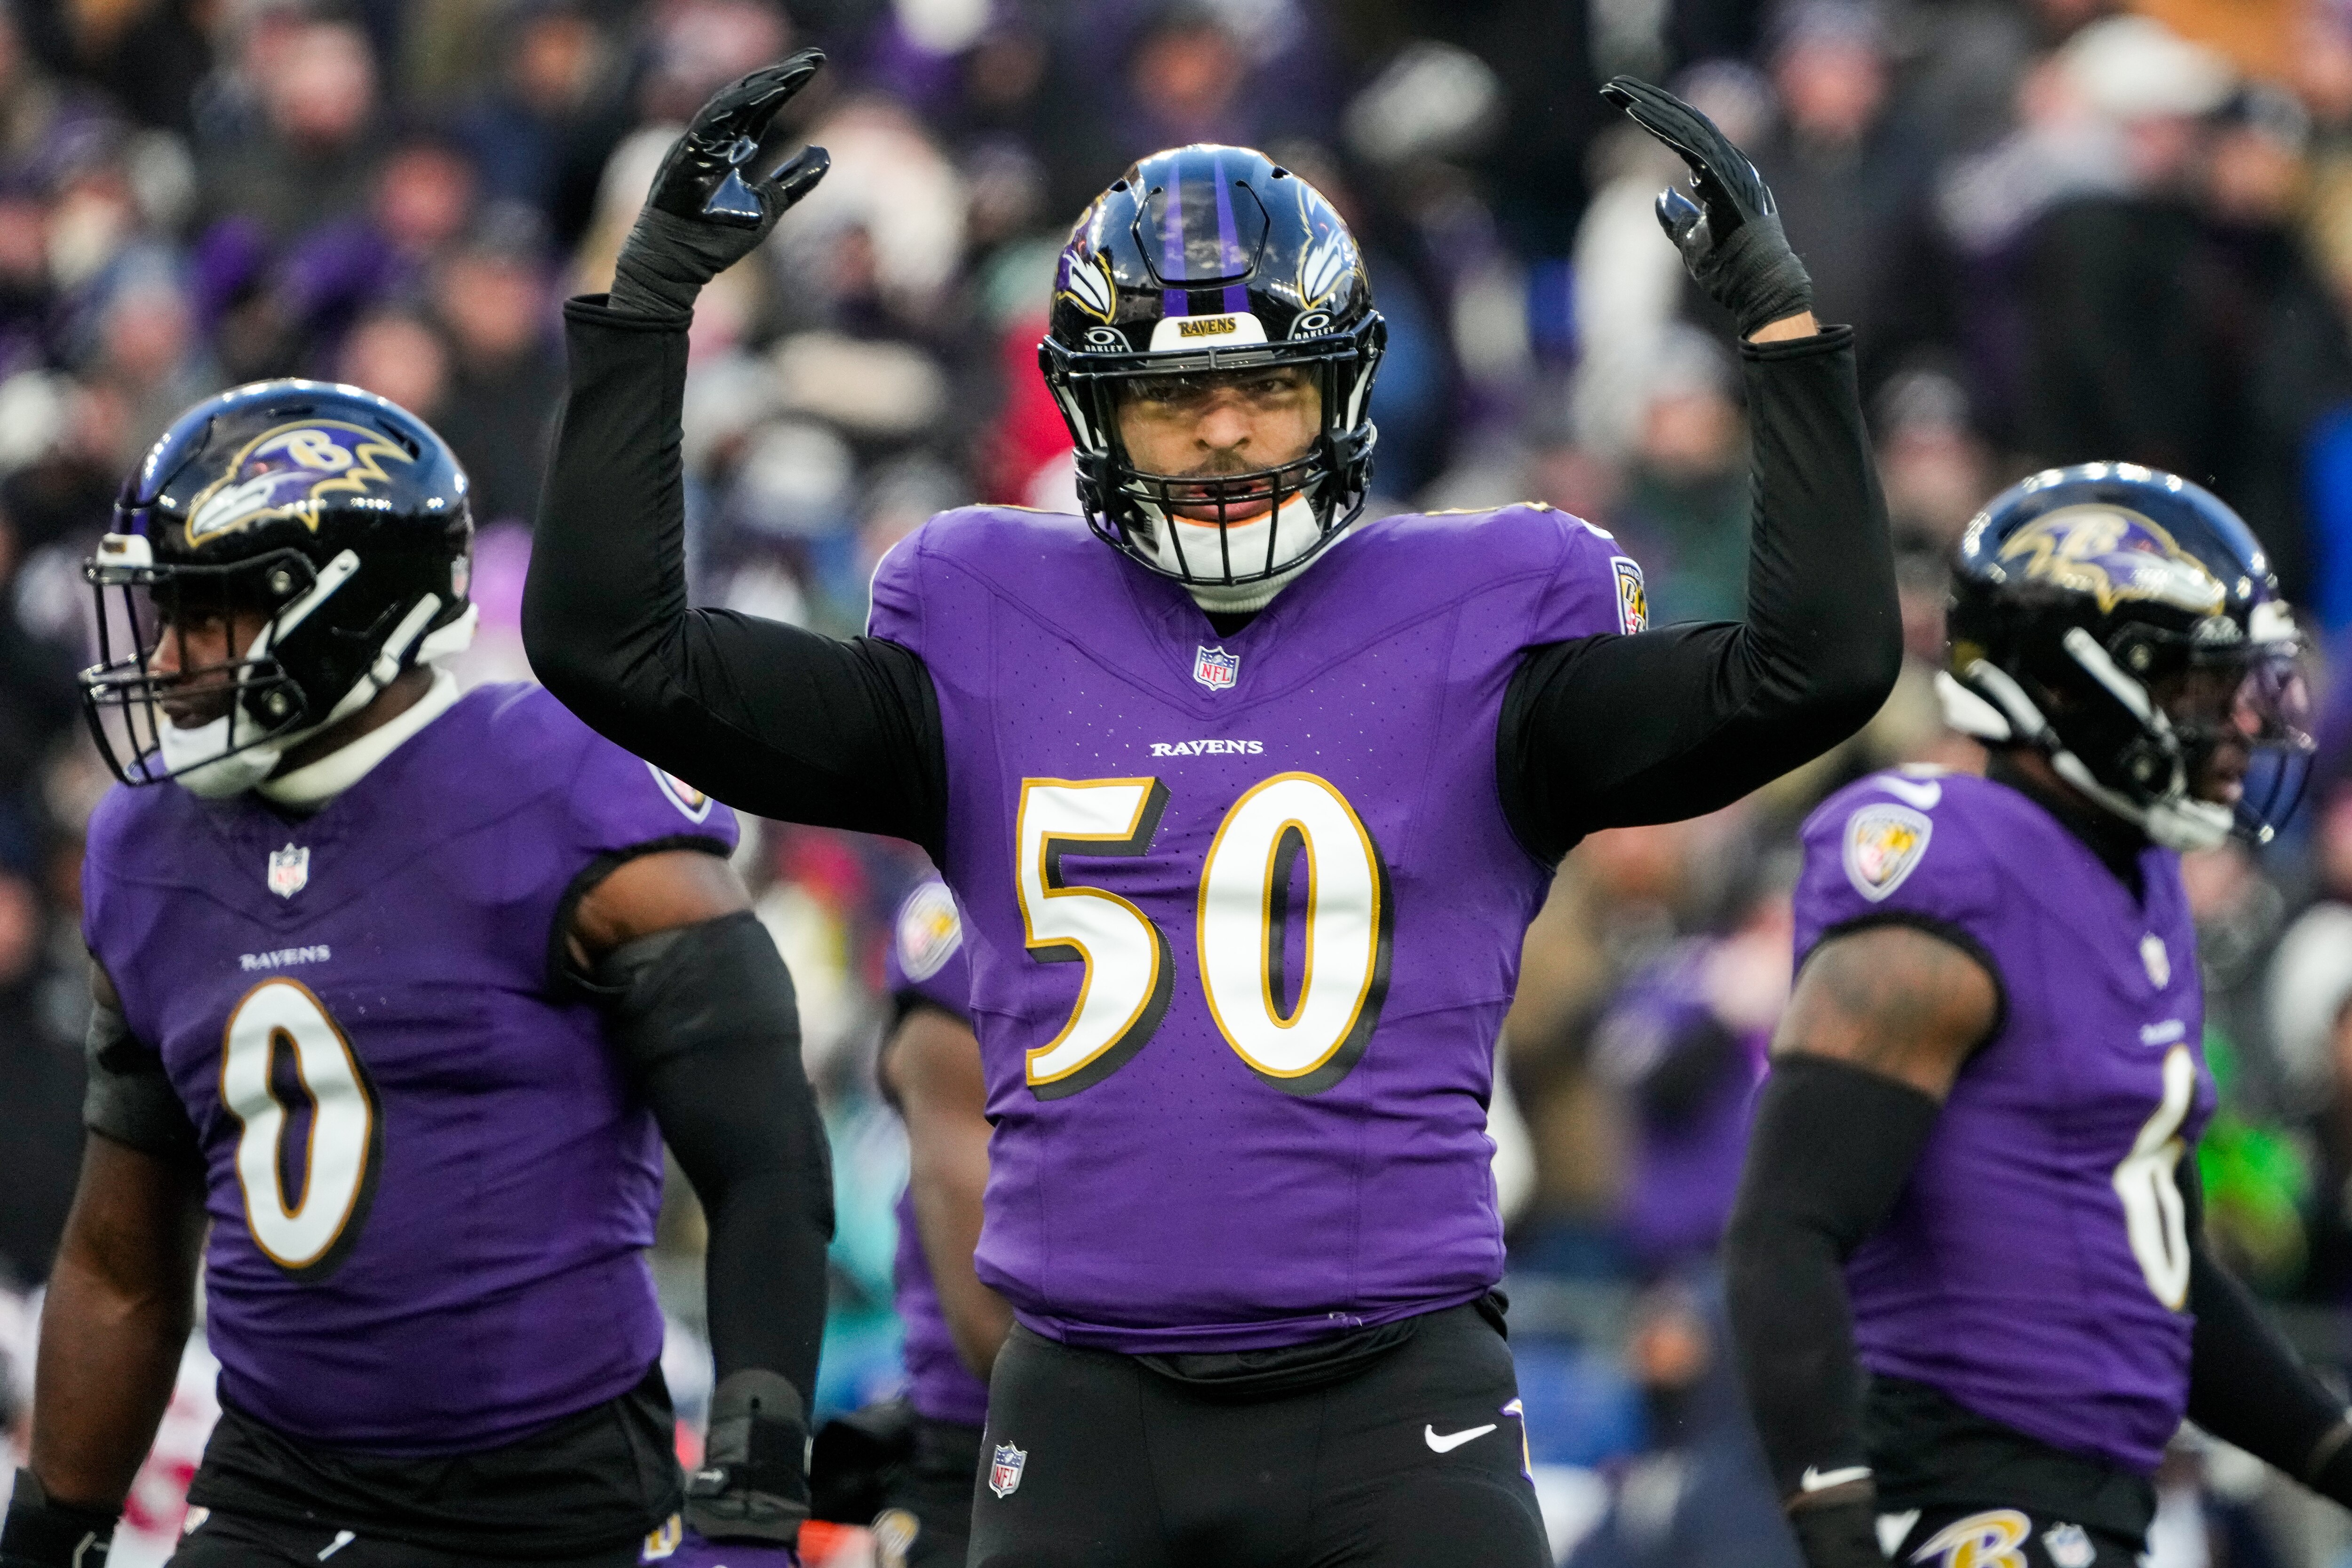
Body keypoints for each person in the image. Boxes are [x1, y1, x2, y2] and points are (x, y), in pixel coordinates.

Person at [524, 54, 1899, 1565]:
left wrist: (1784, 340)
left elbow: (1815, 667)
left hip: (1397, 1403)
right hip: (1079, 1404)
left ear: (1345, 388)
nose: (1229, 435)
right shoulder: (982, 618)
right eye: (1177, 401)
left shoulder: (1482, 621)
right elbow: (617, 648)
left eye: (1268, 387)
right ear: (1094, 412)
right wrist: (644, 318)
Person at [0, 381, 832, 1568]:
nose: (169, 658)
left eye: (212, 616)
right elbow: (122, 1258)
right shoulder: (146, 850)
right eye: (163, 615)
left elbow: (765, 1167)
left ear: (353, 611)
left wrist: (749, 1510)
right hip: (276, 1484)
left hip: (554, 1495)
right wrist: (49, 1531)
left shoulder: (554, 788)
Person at [1722, 465, 2347, 1568]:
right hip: (1965, 1495)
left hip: (2091, 1495)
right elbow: (1785, 1226)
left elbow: (2159, 1267)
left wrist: (2329, 1444)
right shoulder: (1955, 875)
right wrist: (1838, 1526)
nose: (2242, 725)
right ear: (2072, 684)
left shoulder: (2139, 879)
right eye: (2199, 687)